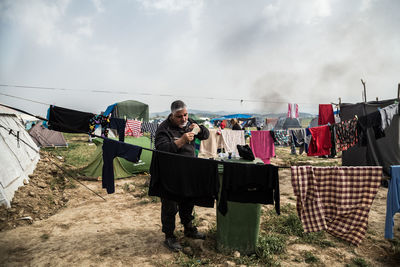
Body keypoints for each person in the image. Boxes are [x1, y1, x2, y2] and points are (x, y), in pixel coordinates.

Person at [154, 100, 210, 252]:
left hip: (188, 171)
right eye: (180, 116)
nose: (184, 119)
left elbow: (206, 135)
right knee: (170, 206)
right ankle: (169, 236)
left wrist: (200, 128)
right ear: (172, 115)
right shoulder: (163, 129)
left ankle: (189, 228)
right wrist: (181, 141)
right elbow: (161, 150)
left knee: (188, 201)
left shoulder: (189, 122)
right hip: (170, 174)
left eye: (186, 115)